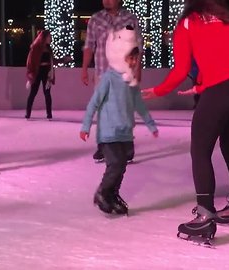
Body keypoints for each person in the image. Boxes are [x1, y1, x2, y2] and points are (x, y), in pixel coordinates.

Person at [142, 0, 229, 242]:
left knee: (200, 150)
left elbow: (181, 69)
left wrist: (160, 90)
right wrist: (202, 86)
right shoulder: (226, 19)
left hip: (222, 89)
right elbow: (228, 60)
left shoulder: (186, 22)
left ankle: (204, 214)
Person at [80, 26, 158, 215]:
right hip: (108, 132)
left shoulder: (130, 82)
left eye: (135, 59)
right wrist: (86, 126)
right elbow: (94, 102)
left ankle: (112, 194)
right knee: (115, 164)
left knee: (121, 165)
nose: (133, 62)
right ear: (119, 55)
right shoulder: (108, 78)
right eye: (130, 57)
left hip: (124, 132)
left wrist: (151, 124)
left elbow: (139, 105)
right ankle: (103, 193)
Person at [81, 0, 143, 163]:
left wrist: (138, 70)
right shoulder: (96, 19)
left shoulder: (130, 18)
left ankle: (127, 146)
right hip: (102, 72)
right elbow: (89, 46)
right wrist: (84, 69)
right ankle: (103, 146)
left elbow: (138, 46)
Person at [25, 30, 71, 120]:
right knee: (33, 92)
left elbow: (52, 60)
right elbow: (30, 61)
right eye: (49, 36)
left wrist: (64, 59)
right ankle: (28, 113)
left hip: (47, 72)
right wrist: (30, 73)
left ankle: (49, 114)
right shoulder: (36, 47)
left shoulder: (49, 48)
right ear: (44, 37)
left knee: (47, 93)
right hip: (37, 72)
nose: (50, 38)